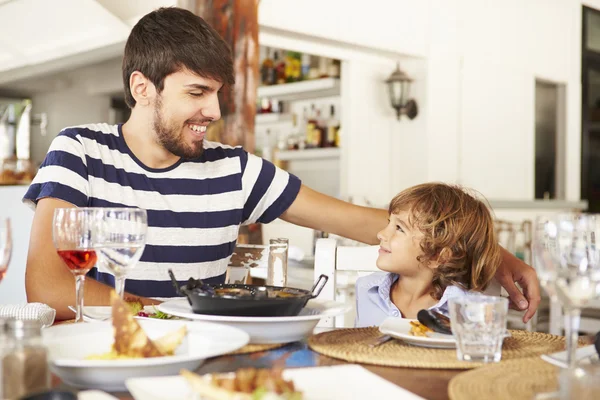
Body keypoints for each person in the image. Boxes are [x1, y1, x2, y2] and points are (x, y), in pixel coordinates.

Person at [22, 7, 540, 322]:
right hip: (101, 358)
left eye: (219, 93)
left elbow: (372, 226)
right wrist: (165, 315)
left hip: (203, 363)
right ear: (142, 88)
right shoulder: (80, 152)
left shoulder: (236, 170)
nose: (214, 112)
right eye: (197, 92)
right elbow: (46, 287)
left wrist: (496, 253)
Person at [355, 183, 503, 327]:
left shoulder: (469, 310)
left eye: (399, 228)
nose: (381, 234)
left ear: (437, 257)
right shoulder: (366, 289)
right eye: (389, 223)